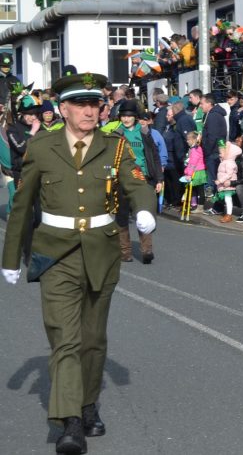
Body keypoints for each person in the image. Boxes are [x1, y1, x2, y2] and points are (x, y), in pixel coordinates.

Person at [2, 72, 157, 454]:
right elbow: (22, 206)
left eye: (95, 104)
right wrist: (10, 258)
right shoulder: (42, 146)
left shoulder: (115, 145)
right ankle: (69, 421)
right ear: (64, 109)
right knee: (65, 340)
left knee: (93, 338)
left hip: (102, 252)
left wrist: (145, 210)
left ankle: (88, 405)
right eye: (82, 105)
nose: (91, 111)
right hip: (55, 253)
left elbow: (137, 181)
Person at [109, 101, 164, 263]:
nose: (126, 119)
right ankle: (125, 251)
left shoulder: (145, 133)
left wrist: (159, 178)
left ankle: (147, 250)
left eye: (129, 116)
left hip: (144, 178)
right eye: (123, 116)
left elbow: (154, 156)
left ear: (135, 117)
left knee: (144, 214)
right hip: (123, 179)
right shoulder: (116, 134)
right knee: (122, 215)